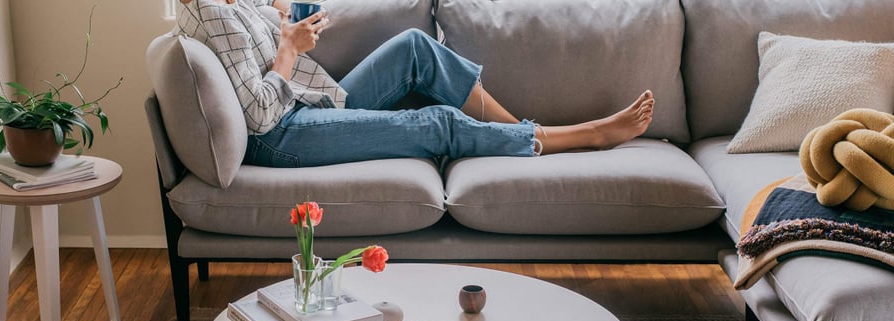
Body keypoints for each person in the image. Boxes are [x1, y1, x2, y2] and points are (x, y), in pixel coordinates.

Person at [176, 0, 654, 168]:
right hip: (281, 133)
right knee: (436, 122)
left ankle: (525, 130)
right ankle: (582, 136)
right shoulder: (214, 14)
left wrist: (284, 19)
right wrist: (289, 49)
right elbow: (258, 117)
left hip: (310, 101)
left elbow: (268, 20)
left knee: (414, 46)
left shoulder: (230, 2)